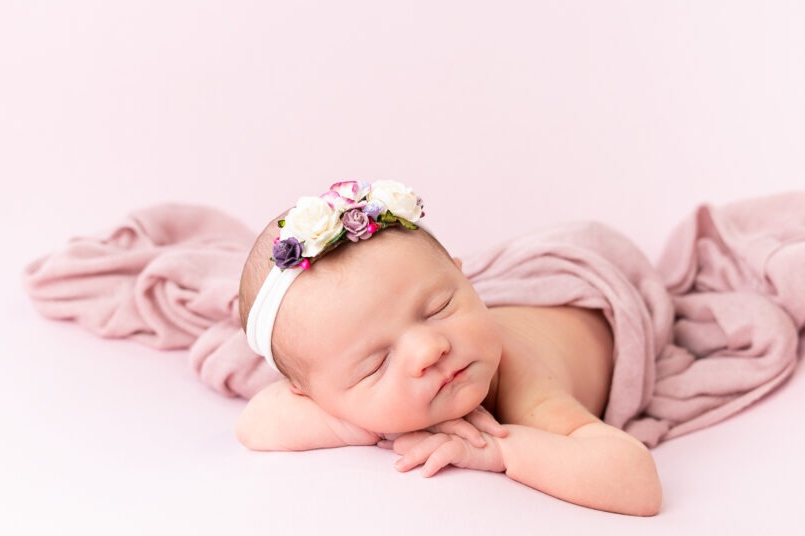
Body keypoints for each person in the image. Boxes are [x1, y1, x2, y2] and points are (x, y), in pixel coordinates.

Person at [234, 179, 663, 517]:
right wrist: (368, 424)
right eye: (376, 364)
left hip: (583, 289)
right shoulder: (342, 384)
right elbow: (253, 426)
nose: (429, 350)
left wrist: (500, 450)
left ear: (466, 281)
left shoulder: (522, 383)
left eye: (439, 308)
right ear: (309, 395)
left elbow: (637, 481)